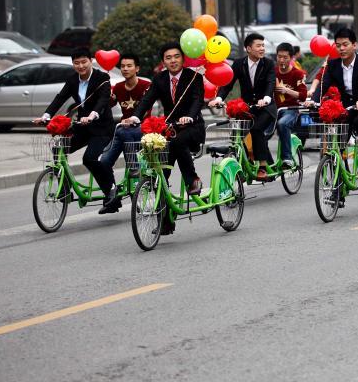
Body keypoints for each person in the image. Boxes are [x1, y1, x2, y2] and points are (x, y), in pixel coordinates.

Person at [123, 43, 205, 233]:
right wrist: (135, 117)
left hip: (193, 127)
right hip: (169, 128)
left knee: (177, 141)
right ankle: (166, 222)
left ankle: (192, 179)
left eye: (176, 56)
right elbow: (147, 99)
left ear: (183, 59)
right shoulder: (159, 79)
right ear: (163, 61)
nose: (173, 61)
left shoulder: (194, 77)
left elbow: (197, 100)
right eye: (168, 58)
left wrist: (190, 116)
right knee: (160, 174)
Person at [34, 50, 116, 212]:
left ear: (91, 61)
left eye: (84, 62)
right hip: (82, 127)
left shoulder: (102, 78)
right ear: (73, 64)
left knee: (90, 159)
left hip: (102, 128)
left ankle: (111, 191)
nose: (80, 66)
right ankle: (64, 189)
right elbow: (60, 98)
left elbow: (103, 100)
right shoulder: (72, 80)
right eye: (76, 63)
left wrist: (92, 115)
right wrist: (46, 116)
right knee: (59, 148)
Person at [309, 28, 358, 169]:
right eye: (338, 45)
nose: (341, 48)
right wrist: (314, 100)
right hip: (346, 109)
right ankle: (339, 175)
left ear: (354, 45)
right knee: (339, 138)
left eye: (345, 44)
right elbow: (324, 85)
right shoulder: (333, 65)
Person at [210, 32, 278, 180]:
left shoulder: (268, 63)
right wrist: (219, 98)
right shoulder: (239, 63)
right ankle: (244, 163)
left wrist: (266, 98)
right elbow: (228, 83)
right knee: (238, 133)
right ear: (248, 48)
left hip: (266, 107)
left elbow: (270, 82)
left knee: (256, 129)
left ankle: (262, 166)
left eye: (263, 45)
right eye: (258, 46)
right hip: (248, 108)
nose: (262, 49)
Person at [98, 54, 150, 212]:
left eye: (129, 66)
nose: (126, 69)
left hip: (142, 129)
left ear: (137, 68)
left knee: (125, 131)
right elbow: (107, 103)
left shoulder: (146, 85)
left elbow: (151, 102)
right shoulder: (119, 87)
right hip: (123, 130)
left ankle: (133, 165)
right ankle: (112, 195)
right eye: (123, 66)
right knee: (104, 162)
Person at [273, 42, 307, 168]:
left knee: (282, 124)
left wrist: (286, 91)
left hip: (291, 109)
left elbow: (303, 95)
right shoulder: (273, 72)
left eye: (285, 57)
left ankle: (287, 159)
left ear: (291, 58)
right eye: (279, 57)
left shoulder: (298, 74)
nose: (281, 60)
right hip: (273, 109)